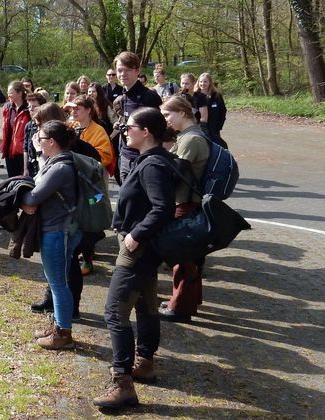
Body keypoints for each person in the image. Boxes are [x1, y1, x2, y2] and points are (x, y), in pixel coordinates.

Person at [92, 107, 176, 409]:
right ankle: (146, 362)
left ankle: (122, 382)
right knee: (146, 305)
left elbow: (162, 207)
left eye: (129, 127)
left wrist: (136, 234)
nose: (124, 131)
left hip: (138, 248)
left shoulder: (153, 164)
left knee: (114, 312)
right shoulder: (155, 160)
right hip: (147, 249)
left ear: (146, 133)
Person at [20, 120, 82, 350]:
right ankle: (58, 324)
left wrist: (24, 202)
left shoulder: (60, 168)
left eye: (41, 137)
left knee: (58, 284)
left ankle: (63, 333)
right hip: (61, 228)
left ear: (52, 142)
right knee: (58, 281)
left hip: (57, 231)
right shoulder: (58, 161)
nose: (37, 140)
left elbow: (34, 196)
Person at [159, 95, 210, 322]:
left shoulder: (192, 139)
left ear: (183, 112)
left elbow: (177, 173)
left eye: (168, 114)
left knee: (183, 257)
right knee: (190, 256)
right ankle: (185, 301)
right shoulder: (189, 136)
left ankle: (180, 307)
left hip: (187, 203)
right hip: (188, 201)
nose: (166, 119)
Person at [65, 95, 114, 276]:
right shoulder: (70, 127)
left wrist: (81, 147)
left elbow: (104, 157)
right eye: (73, 109)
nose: (74, 111)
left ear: (88, 110)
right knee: (77, 217)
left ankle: (88, 256)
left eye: (78, 108)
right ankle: (81, 249)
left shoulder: (98, 130)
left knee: (91, 215)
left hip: (94, 184)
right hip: (75, 181)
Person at [113, 51, 162, 183]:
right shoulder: (123, 97)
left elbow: (159, 130)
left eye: (128, 70)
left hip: (143, 158)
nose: (123, 74)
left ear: (137, 70)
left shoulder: (149, 97)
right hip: (125, 156)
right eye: (119, 70)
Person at [1, 81, 31, 177]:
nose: (8, 95)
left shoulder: (29, 109)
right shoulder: (7, 108)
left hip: (23, 151)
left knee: (23, 180)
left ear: (19, 93)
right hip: (9, 150)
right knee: (11, 179)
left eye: (11, 92)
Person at [196, 72, 228, 148]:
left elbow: (223, 111)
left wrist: (219, 126)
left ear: (210, 82)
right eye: (201, 81)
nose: (202, 83)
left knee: (217, 148)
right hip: (200, 129)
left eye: (205, 81)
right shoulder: (195, 96)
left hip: (214, 129)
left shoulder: (217, 96)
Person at [22, 92, 47, 177]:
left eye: (34, 107)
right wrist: (25, 168)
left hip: (44, 165)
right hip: (31, 167)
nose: (31, 109)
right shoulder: (28, 125)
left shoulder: (47, 126)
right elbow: (25, 148)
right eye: (29, 106)